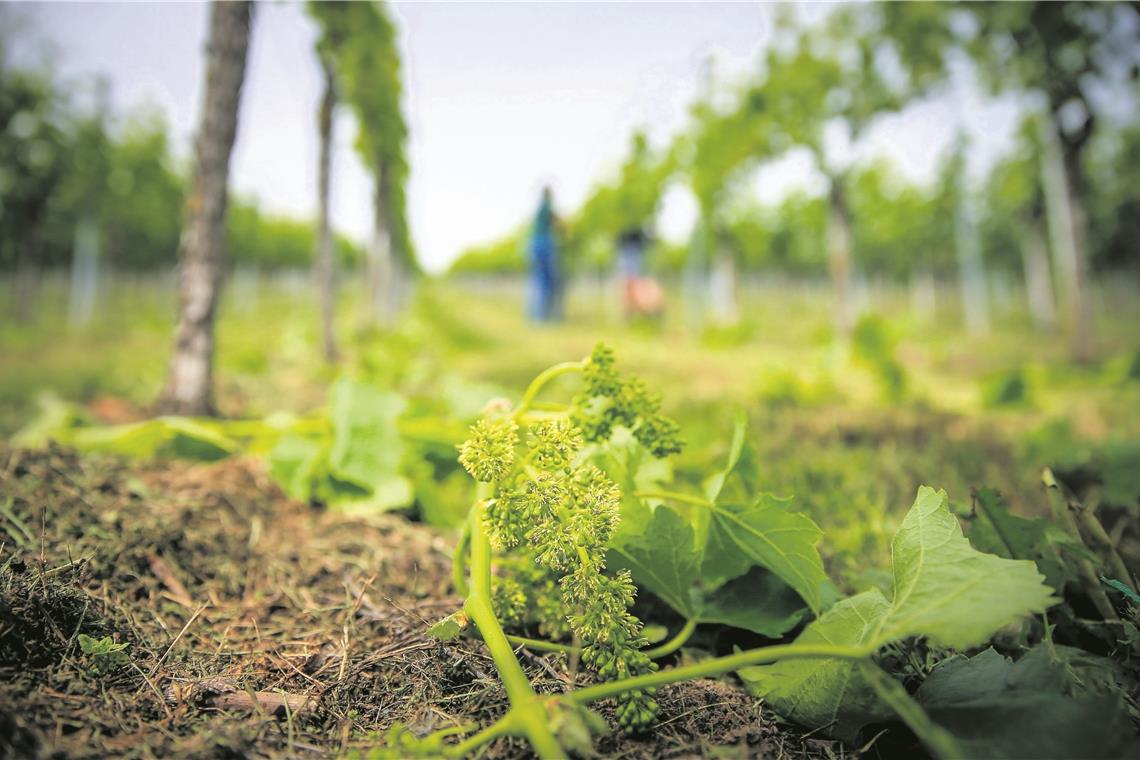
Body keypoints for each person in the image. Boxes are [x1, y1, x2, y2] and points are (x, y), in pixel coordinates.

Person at [528, 187, 562, 322]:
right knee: (546, 281)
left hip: (535, 246)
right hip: (544, 246)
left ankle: (536, 316)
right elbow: (559, 222)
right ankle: (543, 316)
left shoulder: (540, 208)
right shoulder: (546, 207)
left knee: (537, 280)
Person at [616, 225, 664, 319]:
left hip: (634, 255)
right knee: (631, 287)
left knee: (632, 287)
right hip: (633, 255)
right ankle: (631, 314)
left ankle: (633, 314)